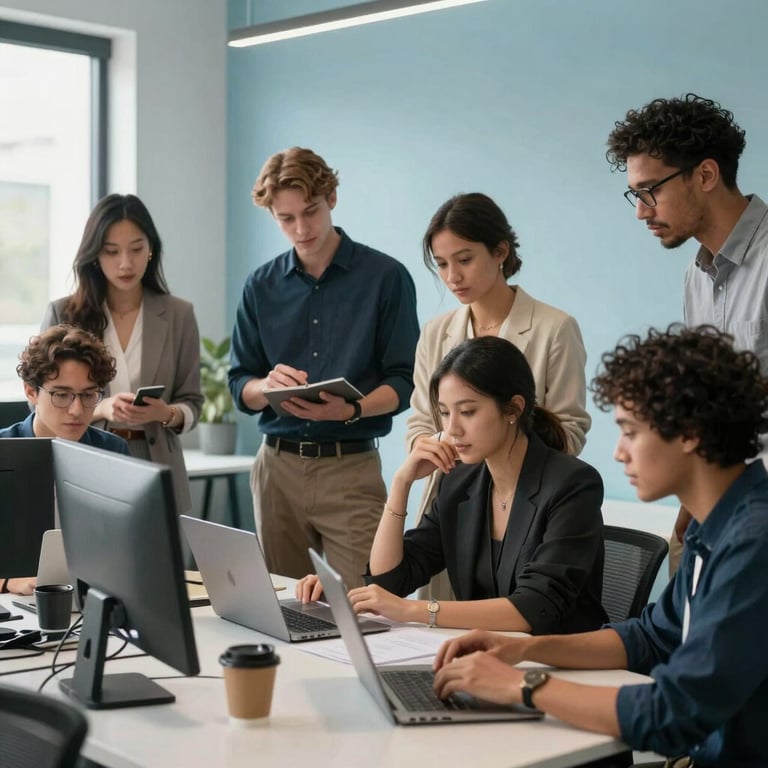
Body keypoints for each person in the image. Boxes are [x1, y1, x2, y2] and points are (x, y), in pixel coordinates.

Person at [433, 325, 768, 767]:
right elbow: (649, 638)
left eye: (630, 431)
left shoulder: (753, 542)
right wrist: (523, 649)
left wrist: (525, 686)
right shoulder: (717, 527)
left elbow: (674, 714)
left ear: (688, 433)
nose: (618, 452)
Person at [297, 336, 607, 633]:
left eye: (468, 411)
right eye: (445, 413)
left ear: (512, 409)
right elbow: (389, 581)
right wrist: (401, 483)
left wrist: (414, 611)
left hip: (558, 665)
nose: (452, 429)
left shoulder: (572, 485)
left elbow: (536, 606)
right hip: (486, 659)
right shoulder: (461, 481)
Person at [228, 147, 419, 590]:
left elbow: (404, 382)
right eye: (285, 218)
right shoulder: (260, 285)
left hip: (350, 469)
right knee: (283, 608)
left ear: (331, 197)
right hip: (276, 470)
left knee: (367, 606)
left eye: (309, 211)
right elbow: (240, 381)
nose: (300, 228)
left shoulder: (386, 277)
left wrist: (350, 411)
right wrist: (265, 385)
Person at [606, 93, 768, 572]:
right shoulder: (696, 276)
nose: (641, 211)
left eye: (650, 190)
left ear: (705, 175)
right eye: (635, 194)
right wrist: (690, 500)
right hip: (716, 509)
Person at [405, 192, 591, 600]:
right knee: (440, 627)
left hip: (524, 507)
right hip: (451, 504)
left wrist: (499, 452)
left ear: (501, 251)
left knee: (516, 612)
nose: (452, 275)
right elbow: (420, 421)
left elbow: (570, 432)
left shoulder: (554, 328)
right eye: (441, 264)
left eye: (465, 259)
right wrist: (443, 444)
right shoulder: (436, 332)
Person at [41, 193, 203, 514]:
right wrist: (101, 408)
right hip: (89, 451)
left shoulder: (178, 314)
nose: (125, 263)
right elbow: (43, 399)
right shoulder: (63, 313)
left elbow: (192, 403)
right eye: (111, 252)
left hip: (156, 458)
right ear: (94, 256)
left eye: (136, 249)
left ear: (151, 249)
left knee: (159, 561)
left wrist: (165, 413)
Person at [0, 324, 129, 596]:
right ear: (31, 392)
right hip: (15, 604)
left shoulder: (113, 452)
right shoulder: (4, 451)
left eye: (88, 395)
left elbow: (131, 545)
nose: (77, 410)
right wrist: (7, 582)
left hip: (94, 598)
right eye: (61, 395)